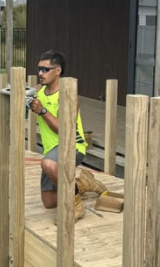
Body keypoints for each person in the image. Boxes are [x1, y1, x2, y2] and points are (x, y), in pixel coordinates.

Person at [28, 50, 104, 217]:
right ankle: (82, 184)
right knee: (49, 202)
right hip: (51, 151)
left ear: (58, 71)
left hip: (72, 146)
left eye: (45, 69)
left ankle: (75, 204)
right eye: (39, 69)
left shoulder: (68, 96)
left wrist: (42, 111)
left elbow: (64, 130)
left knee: (48, 164)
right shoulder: (38, 91)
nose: (40, 73)